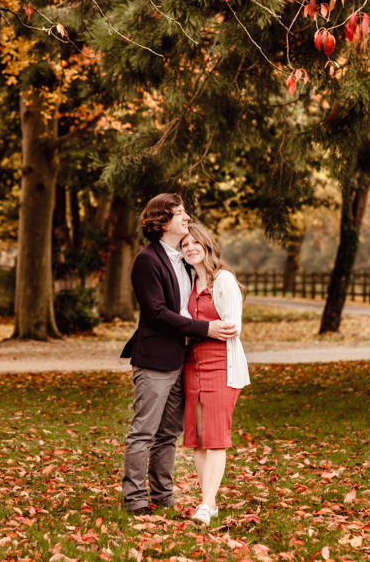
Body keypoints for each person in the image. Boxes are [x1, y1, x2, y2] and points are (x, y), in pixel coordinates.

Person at [120, 194, 238, 515]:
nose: (186, 217)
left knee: (168, 435)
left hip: (182, 361)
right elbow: (157, 313)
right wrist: (206, 330)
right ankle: (134, 501)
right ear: (162, 221)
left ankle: (163, 495)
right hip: (155, 360)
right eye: (180, 213)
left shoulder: (185, 262)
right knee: (144, 432)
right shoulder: (147, 260)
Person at [179, 223, 250, 526]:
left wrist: (197, 329)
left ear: (207, 245)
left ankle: (206, 505)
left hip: (222, 365)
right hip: (191, 365)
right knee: (197, 438)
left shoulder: (224, 280)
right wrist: (203, 328)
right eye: (185, 245)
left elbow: (232, 327)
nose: (190, 248)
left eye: (196, 242)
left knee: (216, 438)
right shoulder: (188, 282)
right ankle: (209, 500)